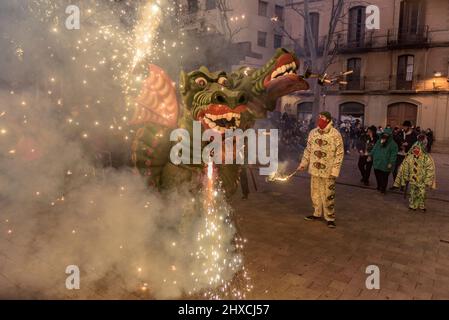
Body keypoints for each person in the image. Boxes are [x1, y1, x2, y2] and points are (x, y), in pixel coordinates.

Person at [298, 111, 344, 229]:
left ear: (328, 119)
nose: (320, 119)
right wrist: (304, 163)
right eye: (319, 117)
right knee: (315, 193)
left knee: (328, 194)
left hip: (328, 171)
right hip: (315, 170)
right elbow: (308, 150)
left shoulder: (335, 134)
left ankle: (330, 217)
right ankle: (317, 213)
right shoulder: (313, 133)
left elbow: (339, 154)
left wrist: (335, 170)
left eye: (322, 117)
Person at [393, 135, 436, 211]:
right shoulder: (410, 158)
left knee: (422, 193)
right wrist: (406, 177)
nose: (416, 150)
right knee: (413, 193)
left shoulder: (426, 158)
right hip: (413, 179)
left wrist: (427, 180)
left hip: (422, 180)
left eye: (417, 149)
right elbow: (405, 167)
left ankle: (421, 205)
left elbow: (430, 169)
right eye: (414, 149)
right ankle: (412, 205)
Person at [369, 128, 398, 194]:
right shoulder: (379, 141)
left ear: (390, 136)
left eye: (387, 135)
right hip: (377, 162)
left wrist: (391, 162)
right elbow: (374, 149)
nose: (385, 136)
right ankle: (379, 186)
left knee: (384, 177)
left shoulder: (393, 144)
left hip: (386, 164)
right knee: (377, 176)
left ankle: (383, 189)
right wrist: (370, 155)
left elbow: (393, 155)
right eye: (384, 134)